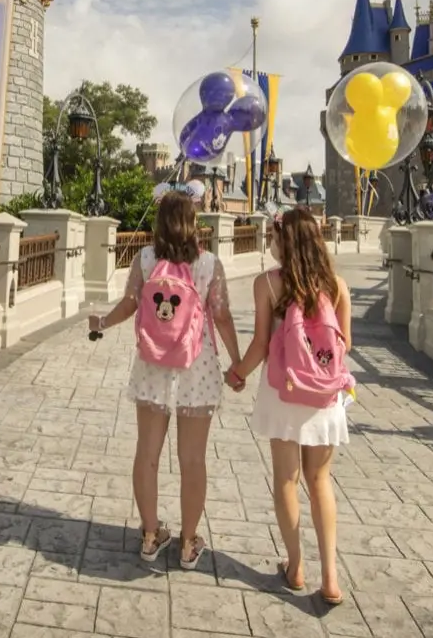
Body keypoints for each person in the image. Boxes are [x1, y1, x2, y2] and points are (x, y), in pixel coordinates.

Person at [88, 191, 241, 569]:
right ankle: (189, 545)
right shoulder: (208, 265)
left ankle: (150, 534)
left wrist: (102, 323)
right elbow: (220, 316)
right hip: (197, 368)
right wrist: (238, 362)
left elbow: (130, 303)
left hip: (153, 365)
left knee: (147, 454)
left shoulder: (144, 260)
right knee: (192, 459)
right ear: (193, 225)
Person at [226, 209, 352, 605]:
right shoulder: (336, 286)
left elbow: (262, 344)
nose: (269, 242)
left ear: (284, 241)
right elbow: (345, 343)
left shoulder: (267, 284)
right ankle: (330, 577)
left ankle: (295, 565)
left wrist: (238, 373)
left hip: (284, 393)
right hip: (324, 396)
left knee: (286, 479)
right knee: (320, 481)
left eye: (273, 236)